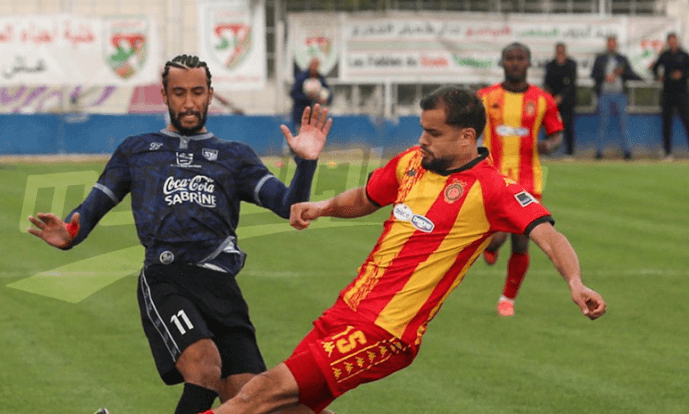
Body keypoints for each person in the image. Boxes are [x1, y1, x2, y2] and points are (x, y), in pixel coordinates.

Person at [196, 86, 606, 414]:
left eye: (433, 133)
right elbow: (367, 196)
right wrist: (322, 207)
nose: (422, 139)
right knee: (289, 407)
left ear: (467, 137)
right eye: (422, 129)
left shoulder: (492, 189)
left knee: (259, 393)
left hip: (385, 331)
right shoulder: (412, 162)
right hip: (346, 312)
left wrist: (575, 281)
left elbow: (547, 232)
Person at [27, 54, 334, 414]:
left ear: (210, 94)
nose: (189, 102)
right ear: (164, 95)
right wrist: (71, 232)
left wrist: (307, 163)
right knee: (205, 368)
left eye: (197, 92)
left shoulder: (234, 156)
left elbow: (290, 206)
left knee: (255, 404)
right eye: (179, 93)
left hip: (223, 289)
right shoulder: (136, 151)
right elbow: (95, 204)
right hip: (167, 278)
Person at [477, 42, 564, 317]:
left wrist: (551, 144)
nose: (515, 63)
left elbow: (556, 132)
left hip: (528, 180)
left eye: (521, 58)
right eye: (510, 58)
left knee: (522, 240)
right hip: (492, 177)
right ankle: (490, 246)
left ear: (528, 63)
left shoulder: (542, 100)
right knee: (496, 237)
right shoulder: (484, 97)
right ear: (502, 63)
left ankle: (507, 299)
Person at [590, 35, 642, 160]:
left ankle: (627, 152)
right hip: (604, 95)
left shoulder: (622, 59)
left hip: (620, 95)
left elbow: (630, 73)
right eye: (609, 43)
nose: (611, 46)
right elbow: (593, 74)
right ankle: (599, 152)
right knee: (603, 123)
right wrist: (605, 77)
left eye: (614, 43)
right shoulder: (600, 59)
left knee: (624, 124)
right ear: (607, 45)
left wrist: (622, 72)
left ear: (616, 45)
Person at [651, 32, 689, 161]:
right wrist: (659, 77)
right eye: (670, 41)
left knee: (687, 121)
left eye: (674, 40)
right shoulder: (664, 55)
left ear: (677, 41)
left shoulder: (684, 55)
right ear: (668, 42)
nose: (673, 43)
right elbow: (654, 68)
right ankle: (668, 153)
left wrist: (682, 74)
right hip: (667, 93)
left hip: (682, 93)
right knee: (666, 124)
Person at [544, 42, 578, 159]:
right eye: (558, 52)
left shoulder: (571, 65)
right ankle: (547, 151)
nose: (560, 54)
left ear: (565, 52)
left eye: (562, 52)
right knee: (550, 126)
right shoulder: (550, 65)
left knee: (568, 126)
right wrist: (551, 97)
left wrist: (561, 96)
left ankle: (569, 152)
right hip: (553, 102)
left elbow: (571, 84)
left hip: (567, 101)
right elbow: (547, 83)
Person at [290, 57, 332, 133]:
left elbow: (328, 93)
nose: (314, 67)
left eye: (316, 65)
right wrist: (307, 97)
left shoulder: (321, 78)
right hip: (301, 114)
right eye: (313, 64)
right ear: (309, 65)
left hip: (316, 115)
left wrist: (325, 100)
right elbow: (293, 94)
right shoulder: (301, 78)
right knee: (301, 136)